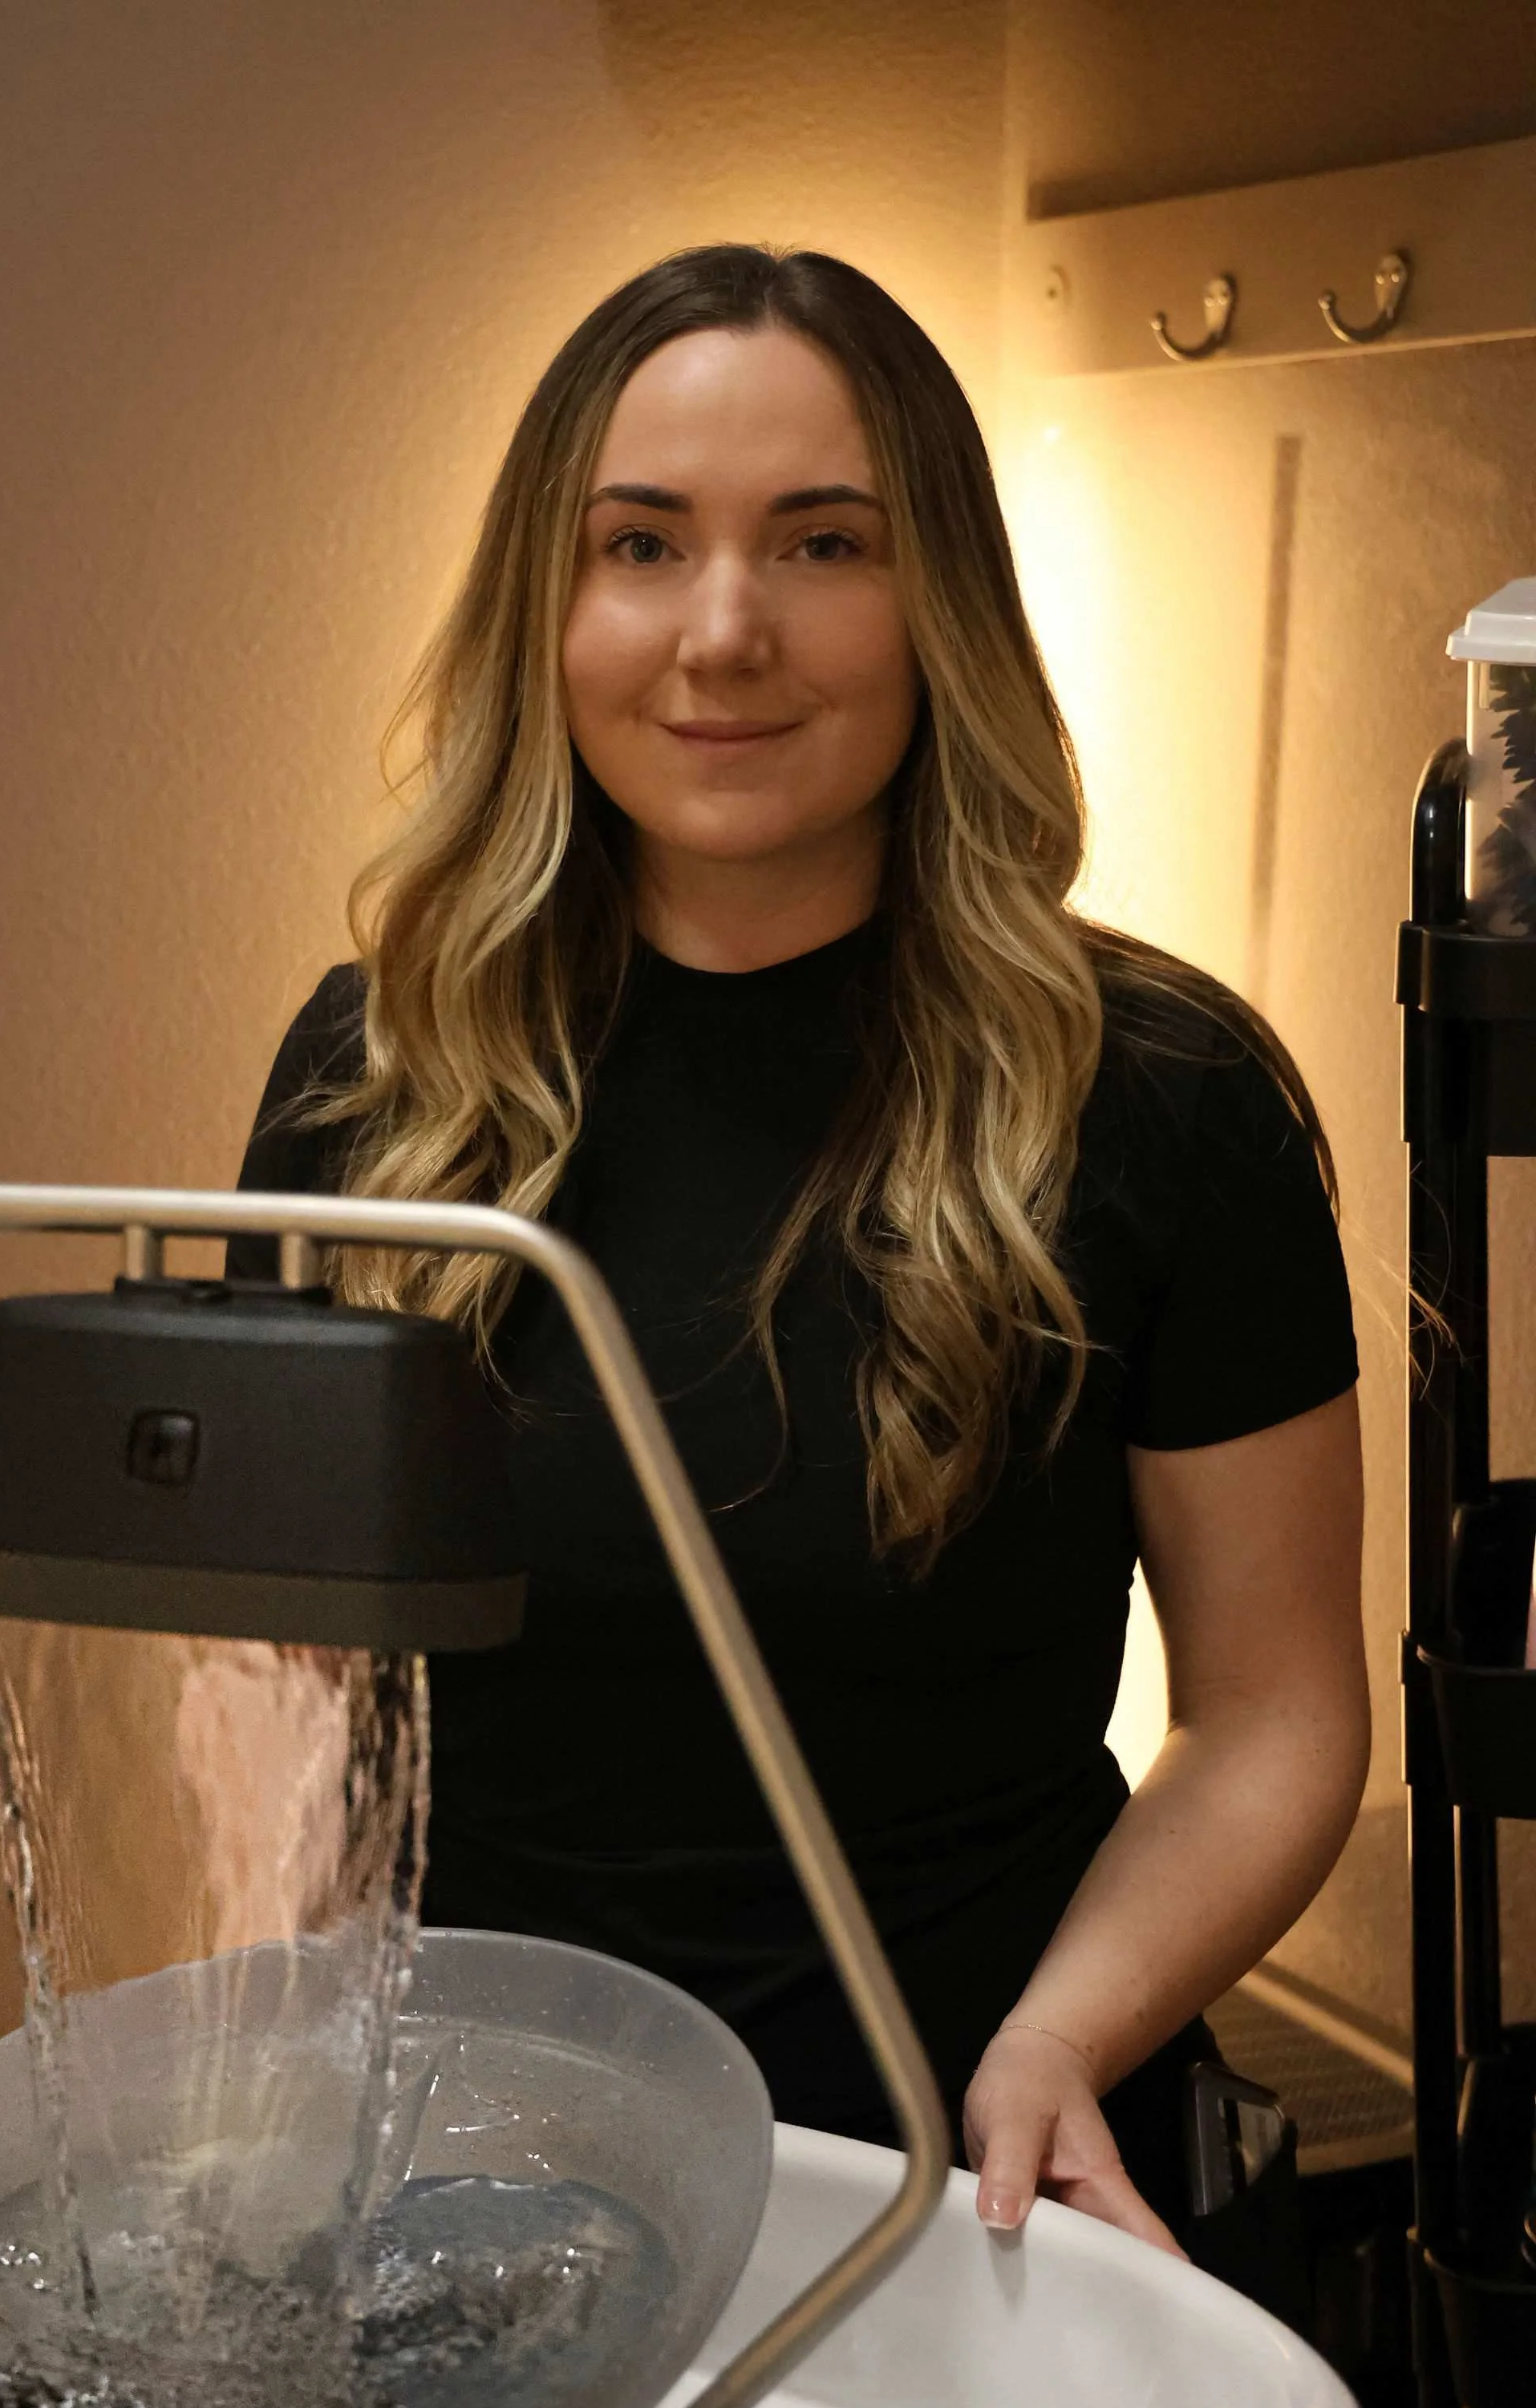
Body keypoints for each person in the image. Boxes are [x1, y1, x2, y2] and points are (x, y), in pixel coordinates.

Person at [231, 245, 1369, 2252]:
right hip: (470, 2202)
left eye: (824, 543)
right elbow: (295, 1708)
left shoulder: (1165, 1098)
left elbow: (1273, 1715)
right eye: (643, 546)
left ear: (938, 601)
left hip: (963, 2187)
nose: (725, 630)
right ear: (548, 609)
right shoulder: (375, 1080)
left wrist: (1062, 2045)